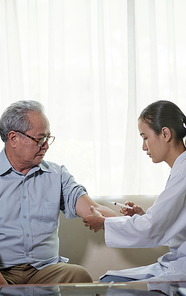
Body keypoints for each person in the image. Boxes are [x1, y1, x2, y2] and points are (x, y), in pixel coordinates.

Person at [0, 100, 118, 285]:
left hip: (46, 270)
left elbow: (92, 209)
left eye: (48, 138)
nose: (46, 145)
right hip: (1, 270)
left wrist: (134, 224)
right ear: (13, 138)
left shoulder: (57, 174)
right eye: (39, 139)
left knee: (78, 276)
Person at [83, 100, 186, 283]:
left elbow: (153, 228)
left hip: (181, 267)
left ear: (165, 133)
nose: (144, 147)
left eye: (145, 137)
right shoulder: (179, 169)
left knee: (109, 285)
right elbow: (169, 227)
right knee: (108, 280)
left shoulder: (183, 172)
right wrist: (142, 215)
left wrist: (104, 222)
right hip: (176, 262)